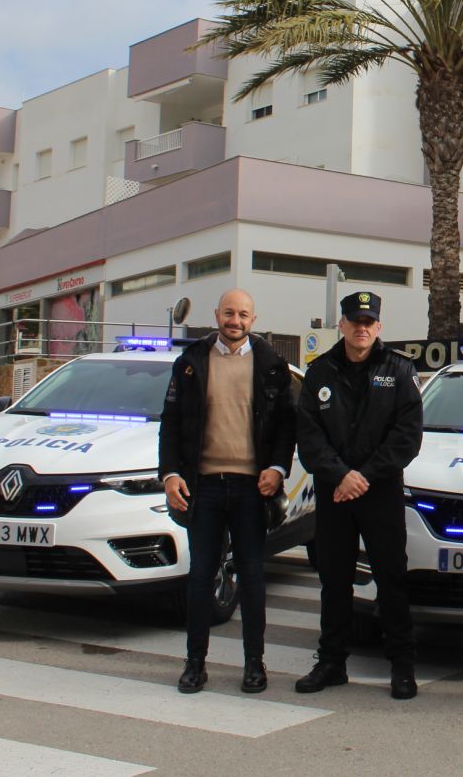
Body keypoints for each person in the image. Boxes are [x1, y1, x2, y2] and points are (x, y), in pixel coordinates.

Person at [159, 288, 295, 694]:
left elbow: (286, 425)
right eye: (229, 313)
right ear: (217, 314)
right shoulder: (190, 363)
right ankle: (194, 663)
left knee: (253, 577)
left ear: (254, 320)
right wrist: (169, 475)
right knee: (200, 576)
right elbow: (171, 423)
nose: (235, 321)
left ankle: (255, 665)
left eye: (243, 314)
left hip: (252, 489)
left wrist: (277, 468)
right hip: (205, 487)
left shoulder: (271, 364)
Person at [295, 290, 423, 700]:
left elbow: (407, 437)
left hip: (379, 492)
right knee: (334, 581)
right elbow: (309, 438)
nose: (362, 327)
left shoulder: (399, 370)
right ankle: (331, 663)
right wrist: (340, 476)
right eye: (355, 321)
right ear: (342, 325)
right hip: (335, 495)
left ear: (379, 327)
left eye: (369, 322)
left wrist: (363, 476)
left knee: (391, 579)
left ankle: (402, 667)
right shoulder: (320, 373)